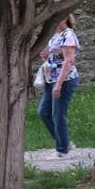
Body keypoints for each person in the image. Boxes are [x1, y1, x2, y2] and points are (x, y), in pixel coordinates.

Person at [38, 14, 80, 159]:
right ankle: (65, 142)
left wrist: (59, 85)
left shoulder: (68, 35)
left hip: (64, 80)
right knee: (43, 112)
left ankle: (62, 149)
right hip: (51, 80)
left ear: (65, 19)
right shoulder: (55, 35)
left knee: (58, 114)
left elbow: (68, 61)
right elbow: (54, 57)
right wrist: (44, 57)